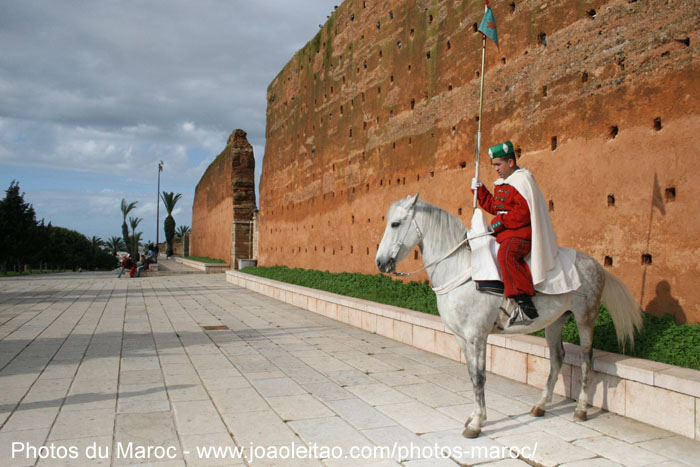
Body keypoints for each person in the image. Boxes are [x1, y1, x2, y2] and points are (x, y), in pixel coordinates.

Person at [472, 141, 557, 324]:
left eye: (498, 164)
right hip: (507, 233)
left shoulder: (521, 180)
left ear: (510, 162)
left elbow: (522, 214)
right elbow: (496, 207)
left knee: (507, 255)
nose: (495, 169)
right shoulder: (505, 183)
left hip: (521, 234)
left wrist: (498, 224)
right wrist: (480, 191)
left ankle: (524, 304)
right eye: (494, 165)